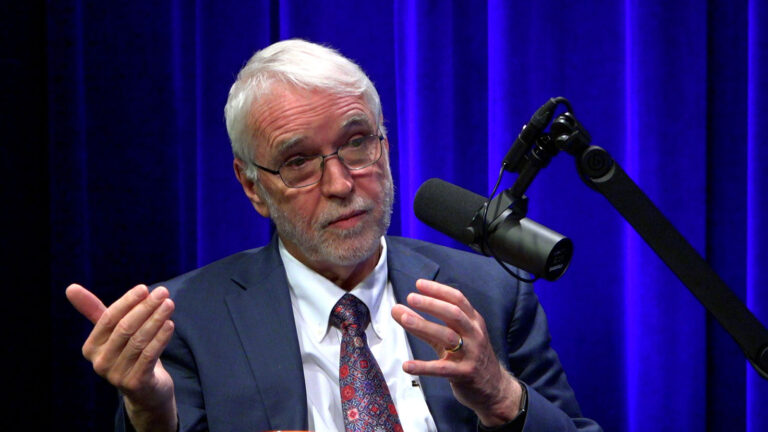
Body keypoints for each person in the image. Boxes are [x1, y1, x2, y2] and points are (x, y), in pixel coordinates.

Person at [66, 39, 602, 432]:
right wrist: (153, 415)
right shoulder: (185, 322)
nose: (342, 183)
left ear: (385, 149)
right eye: (298, 162)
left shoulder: (490, 293)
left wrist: (504, 397)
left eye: (357, 144)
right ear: (252, 186)